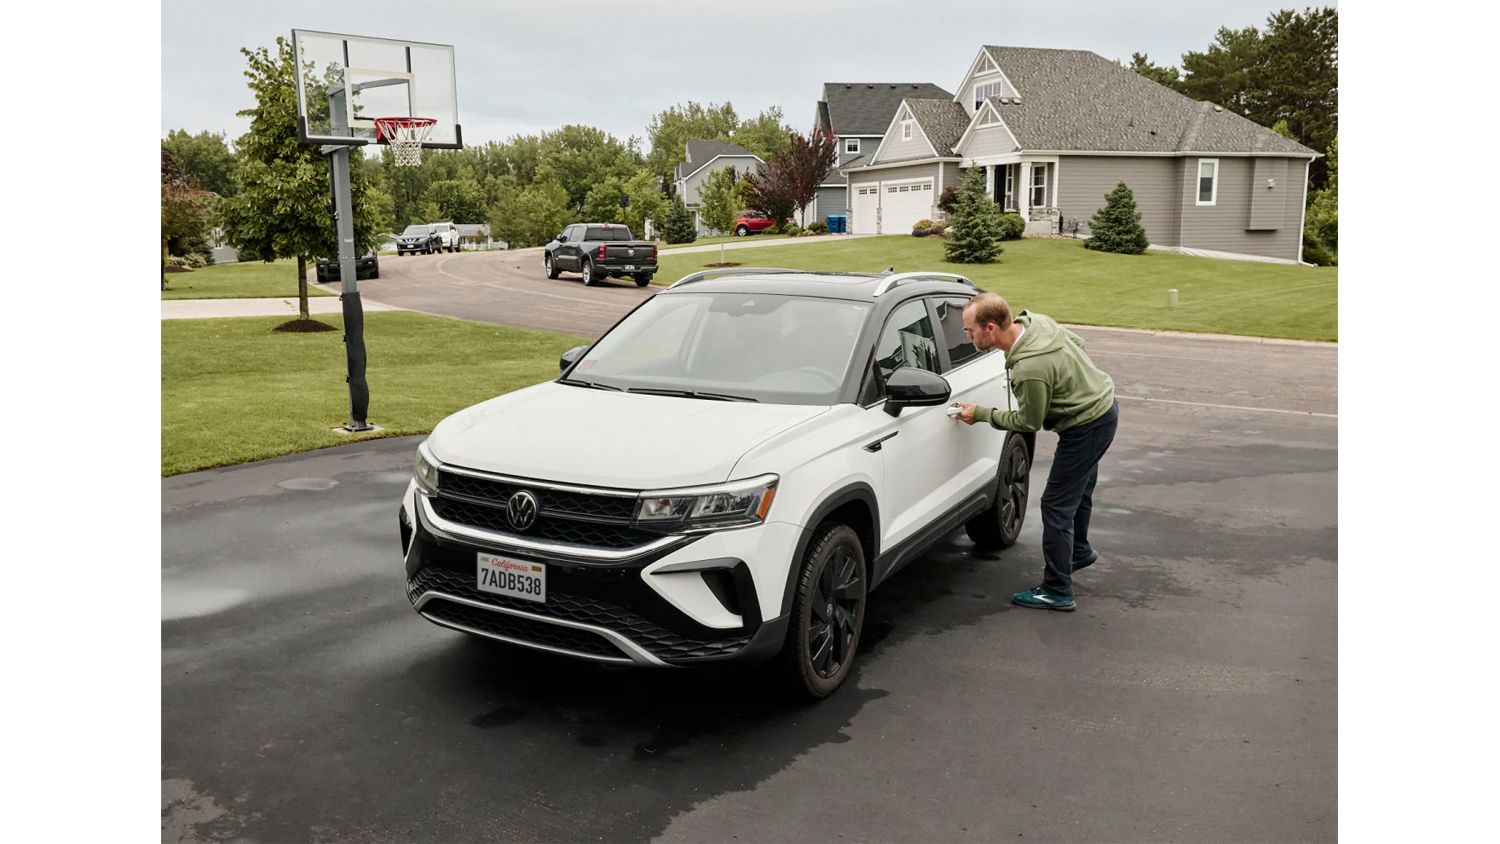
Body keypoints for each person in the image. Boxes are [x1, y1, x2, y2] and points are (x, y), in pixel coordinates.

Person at [953, 293, 1119, 612]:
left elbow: (1029, 422)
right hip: (1104, 408)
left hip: (1086, 427)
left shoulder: (1030, 368)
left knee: (1055, 506)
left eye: (969, 330)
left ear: (990, 328)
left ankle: (1058, 590)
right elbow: (1078, 344)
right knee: (1079, 491)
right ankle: (1078, 552)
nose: (967, 336)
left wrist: (982, 414)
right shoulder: (1035, 322)